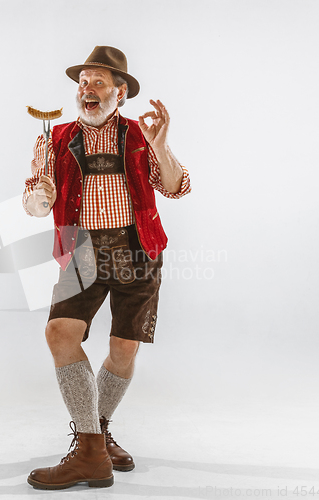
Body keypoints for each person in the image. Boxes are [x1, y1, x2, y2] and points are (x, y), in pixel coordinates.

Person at [22, 46, 191, 490]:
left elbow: (176, 187)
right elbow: (34, 205)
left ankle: (94, 433)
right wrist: (40, 197)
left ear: (120, 92)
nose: (87, 89)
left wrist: (162, 147)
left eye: (98, 82)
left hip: (138, 250)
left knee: (123, 349)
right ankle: (92, 451)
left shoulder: (141, 135)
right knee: (61, 332)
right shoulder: (53, 140)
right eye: (83, 82)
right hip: (81, 252)